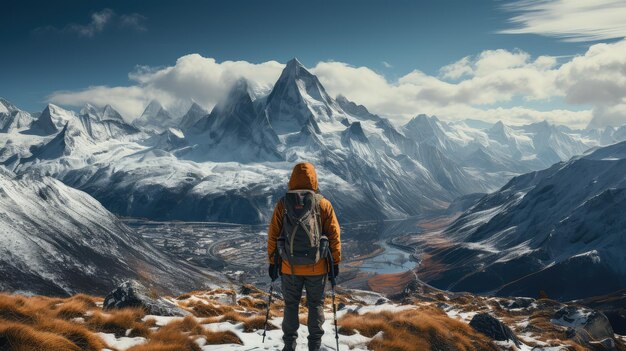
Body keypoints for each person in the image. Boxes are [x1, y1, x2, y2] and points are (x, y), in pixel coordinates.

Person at [267, 162, 341, 351]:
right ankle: (314, 346)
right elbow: (333, 235)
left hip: (288, 266)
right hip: (317, 267)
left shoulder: (283, 204)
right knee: (315, 304)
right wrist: (335, 263)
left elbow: (274, 234)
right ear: (314, 179)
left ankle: (289, 346)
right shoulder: (323, 203)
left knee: (291, 305)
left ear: (292, 179)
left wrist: (272, 262)